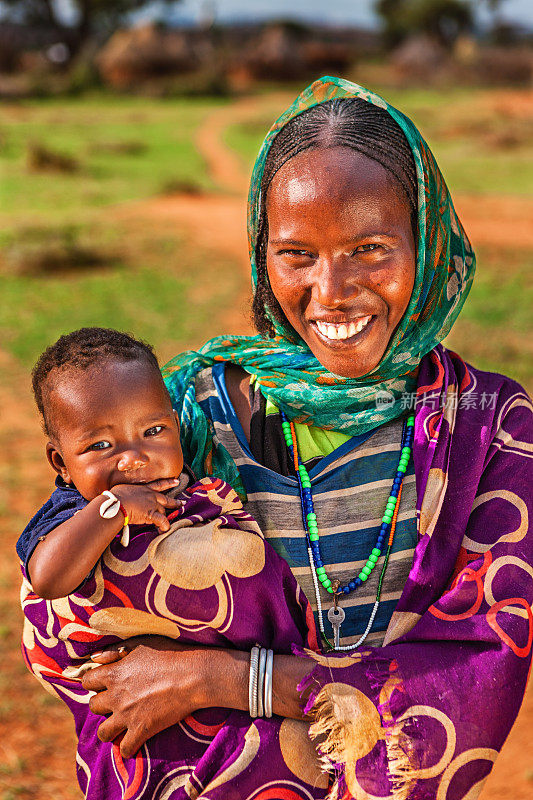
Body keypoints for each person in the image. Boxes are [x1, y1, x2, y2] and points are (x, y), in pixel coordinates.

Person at [52, 76, 533, 800]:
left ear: (425, 242)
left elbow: (480, 668)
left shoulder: (489, 426)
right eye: (296, 253)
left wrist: (221, 679)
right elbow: (75, 634)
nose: (331, 291)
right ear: (260, 253)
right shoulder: (180, 417)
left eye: (370, 249)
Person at [18, 327, 327, 799]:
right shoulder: (72, 511)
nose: (134, 456)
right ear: (59, 462)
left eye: (153, 431)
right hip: (146, 740)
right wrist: (113, 508)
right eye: (100, 446)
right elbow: (48, 577)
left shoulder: (194, 487)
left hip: (242, 708)